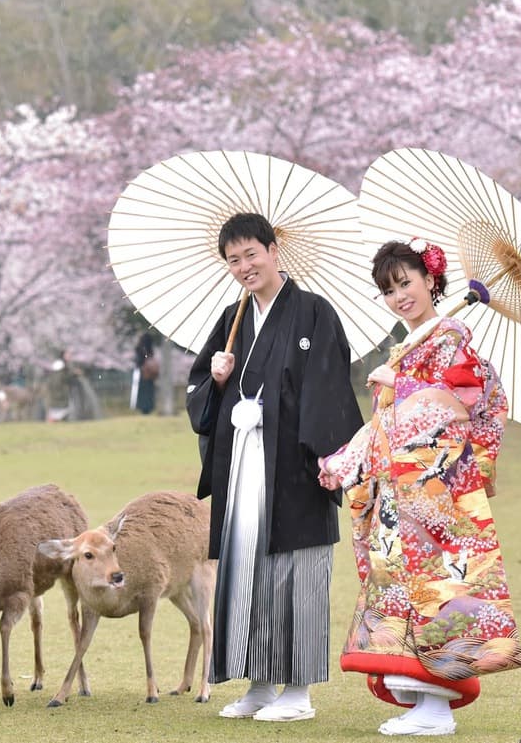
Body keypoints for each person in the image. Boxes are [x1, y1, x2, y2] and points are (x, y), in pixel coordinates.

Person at [319, 239, 521, 737]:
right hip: (400, 494)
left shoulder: (450, 334)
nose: (399, 296)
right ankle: (420, 701)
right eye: (388, 290)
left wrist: (403, 384)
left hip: (434, 493)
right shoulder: (412, 344)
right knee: (399, 590)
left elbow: (461, 403)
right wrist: (346, 462)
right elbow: (388, 424)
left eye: (405, 283)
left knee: (437, 590)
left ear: (431, 280)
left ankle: (437, 708)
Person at [187, 212, 363, 723]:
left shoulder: (313, 313)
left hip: (291, 467)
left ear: (273, 249)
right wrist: (218, 382)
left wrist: (299, 438)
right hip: (242, 465)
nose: (245, 267)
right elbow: (201, 393)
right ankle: (260, 683)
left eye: (251, 254)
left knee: (295, 573)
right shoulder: (231, 319)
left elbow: (327, 388)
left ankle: (298, 690)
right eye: (233, 260)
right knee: (246, 567)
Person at [132, 330, 159, 415]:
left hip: (143, 373)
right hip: (149, 373)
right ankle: (148, 407)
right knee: (149, 391)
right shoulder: (149, 349)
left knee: (143, 391)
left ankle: (144, 408)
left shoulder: (140, 348)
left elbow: (138, 361)